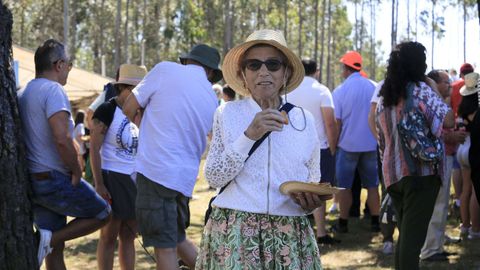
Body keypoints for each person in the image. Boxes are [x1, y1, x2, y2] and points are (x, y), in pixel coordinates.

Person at [196, 29, 329, 269]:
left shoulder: (304, 120)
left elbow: (312, 178)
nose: (263, 72)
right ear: (243, 74)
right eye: (254, 65)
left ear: (286, 72)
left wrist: (309, 202)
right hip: (235, 232)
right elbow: (214, 176)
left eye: (273, 64)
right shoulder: (227, 114)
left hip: (289, 233)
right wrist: (249, 136)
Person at [122, 44, 222, 270]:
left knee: (165, 246)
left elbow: (129, 107)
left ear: (187, 61)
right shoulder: (211, 97)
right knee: (176, 239)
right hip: (184, 181)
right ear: (210, 72)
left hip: (156, 171)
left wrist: (144, 125)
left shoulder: (165, 70)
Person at [18, 39, 111, 269]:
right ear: (59, 65)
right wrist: (78, 169)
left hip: (32, 180)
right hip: (52, 179)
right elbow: (61, 137)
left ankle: (47, 240)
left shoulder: (25, 91)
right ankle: (43, 240)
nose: (69, 69)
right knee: (104, 213)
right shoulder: (53, 89)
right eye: (69, 64)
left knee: (54, 249)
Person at [376, 41, 454, 270]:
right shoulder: (422, 92)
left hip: (393, 176)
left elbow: (381, 138)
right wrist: (432, 86)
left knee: (406, 238)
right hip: (422, 174)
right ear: (419, 65)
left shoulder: (384, 98)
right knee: (412, 242)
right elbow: (448, 120)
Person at [90, 64, 147, 270]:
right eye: (132, 90)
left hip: (133, 179)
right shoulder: (107, 110)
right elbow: (94, 149)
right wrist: (99, 184)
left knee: (129, 235)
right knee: (109, 235)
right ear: (121, 88)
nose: (136, 95)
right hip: (111, 178)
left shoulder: (141, 113)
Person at [287, 59, 339, 245]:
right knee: (318, 191)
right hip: (319, 146)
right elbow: (330, 123)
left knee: (294, 189)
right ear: (316, 71)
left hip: (291, 146)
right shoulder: (322, 91)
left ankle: (293, 232)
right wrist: (333, 147)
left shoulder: (288, 90)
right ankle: (321, 232)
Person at [420, 70, 466, 261]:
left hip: (444, 156)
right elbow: (429, 132)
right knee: (437, 204)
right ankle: (430, 249)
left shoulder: (441, 103)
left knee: (441, 203)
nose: (450, 85)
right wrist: (451, 136)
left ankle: (435, 245)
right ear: (435, 84)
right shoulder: (431, 103)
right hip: (437, 159)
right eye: (446, 82)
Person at [333, 50, 380, 233]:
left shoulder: (340, 91)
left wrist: (333, 144)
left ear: (346, 68)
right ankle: (375, 221)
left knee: (344, 187)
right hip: (370, 144)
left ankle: (343, 223)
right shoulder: (373, 87)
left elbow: (337, 122)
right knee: (372, 185)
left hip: (347, 145)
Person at [457, 72, 480, 240]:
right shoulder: (477, 109)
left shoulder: (462, 107)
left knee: (465, 190)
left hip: (462, 149)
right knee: (475, 192)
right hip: (474, 149)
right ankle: (476, 229)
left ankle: (465, 226)